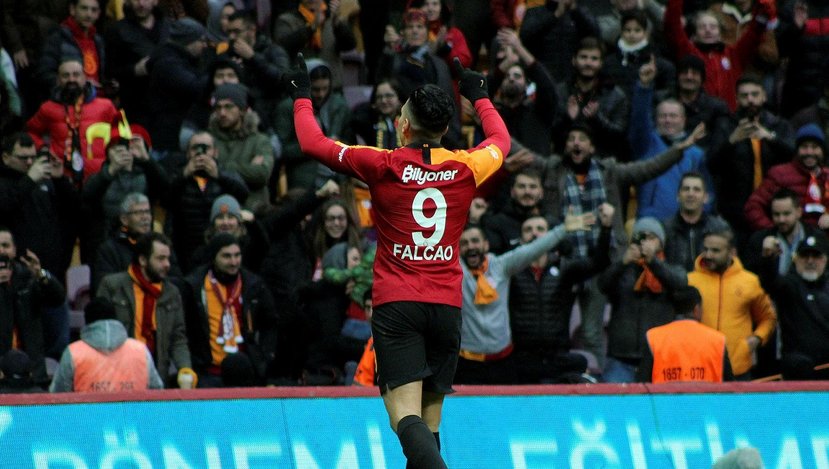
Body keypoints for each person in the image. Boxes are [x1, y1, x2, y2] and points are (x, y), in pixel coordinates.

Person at [285, 53, 508, 468]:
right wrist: (479, 96)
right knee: (428, 426)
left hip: (398, 305)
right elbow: (500, 142)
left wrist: (301, 98)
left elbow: (312, 143)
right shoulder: (467, 167)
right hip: (446, 307)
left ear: (404, 126)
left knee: (404, 417)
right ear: (444, 128)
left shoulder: (382, 163)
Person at [455, 210, 595, 384]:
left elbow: (532, 250)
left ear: (486, 245)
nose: (470, 246)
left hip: (502, 362)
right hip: (467, 363)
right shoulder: (455, 271)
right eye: (464, 243)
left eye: (475, 241)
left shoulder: (501, 266)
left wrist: (562, 229)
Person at [508, 209, 613, 384]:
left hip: (557, 356)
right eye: (528, 230)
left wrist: (606, 228)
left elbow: (599, 263)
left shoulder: (564, 268)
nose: (534, 233)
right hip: (522, 358)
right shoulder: (511, 271)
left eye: (540, 229)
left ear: (550, 236)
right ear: (520, 239)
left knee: (582, 367)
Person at [96, 232, 197, 388]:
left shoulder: (172, 293)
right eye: (160, 259)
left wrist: (185, 369)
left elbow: (178, 338)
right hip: (118, 376)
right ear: (143, 260)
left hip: (156, 376)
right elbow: (100, 332)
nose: (167, 264)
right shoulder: (112, 286)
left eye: (168, 259)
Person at [179, 233, 277, 387]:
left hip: (246, 375)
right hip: (207, 374)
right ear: (213, 257)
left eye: (237, 255)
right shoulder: (194, 286)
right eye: (226, 256)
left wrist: (263, 359)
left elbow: (270, 323)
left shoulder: (254, 285)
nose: (233, 262)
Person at [707, 74, 795, 244]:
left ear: (764, 96)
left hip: (772, 207)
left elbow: (794, 157)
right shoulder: (725, 125)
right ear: (736, 99)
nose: (750, 100)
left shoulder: (778, 125)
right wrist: (732, 140)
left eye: (755, 94)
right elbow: (712, 164)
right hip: (734, 211)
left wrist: (770, 138)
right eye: (744, 96)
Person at [600, 217, 688, 382]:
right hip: (621, 356)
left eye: (651, 238)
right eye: (640, 237)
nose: (645, 242)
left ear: (661, 243)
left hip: (659, 355)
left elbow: (680, 283)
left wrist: (653, 261)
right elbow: (603, 285)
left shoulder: (670, 268)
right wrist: (622, 263)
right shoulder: (624, 268)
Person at [687, 226, 777, 379]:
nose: (708, 255)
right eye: (706, 249)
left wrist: (757, 338)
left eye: (715, 250)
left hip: (738, 367)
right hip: (699, 368)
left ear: (731, 252)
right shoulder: (690, 281)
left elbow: (768, 318)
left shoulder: (749, 281)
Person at [630, 58, 711, 220]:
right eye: (663, 116)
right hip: (650, 221)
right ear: (656, 119)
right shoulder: (647, 144)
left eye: (673, 116)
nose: (668, 120)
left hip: (684, 222)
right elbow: (639, 122)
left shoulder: (696, 154)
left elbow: (708, 192)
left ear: (683, 120)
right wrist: (644, 87)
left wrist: (702, 218)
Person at [663, 0, 775, 111]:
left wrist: (763, 8)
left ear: (720, 33)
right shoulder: (688, 52)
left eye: (713, 27)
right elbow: (672, 25)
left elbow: (755, 32)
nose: (708, 30)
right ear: (695, 35)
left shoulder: (733, 54)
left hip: (730, 115)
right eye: (702, 27)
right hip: (700, 113)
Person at [164, 131, 249, 272]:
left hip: (219, 243)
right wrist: (184, 175)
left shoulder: (226, 172)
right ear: (187, 154)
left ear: (215, 152)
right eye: (195, 148)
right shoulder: (178, 174)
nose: (200, 153)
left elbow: (243, 195)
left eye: (206, 148)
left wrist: (219, 176)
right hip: (185, 245)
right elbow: (165, 199)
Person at [26, 58, 120, 183]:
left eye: (76, 75)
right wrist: (43, 149)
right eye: (66, 75)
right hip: (62, 177)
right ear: (58, 80)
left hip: (99, 176)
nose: (71, 79)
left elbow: (120, 133)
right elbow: (30, 132)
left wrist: (112, 159)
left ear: (85, 78)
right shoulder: (48, 108)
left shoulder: (105, 106)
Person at [50, 297, 164, 392]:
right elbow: (157, 392)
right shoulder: (140, 350)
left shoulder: (73, 352)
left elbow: (58, 397)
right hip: (135, 413)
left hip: (87, 413)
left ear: (87, 321)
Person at [756, 232, 829, 380]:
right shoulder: (789, 286)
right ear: (795, 259)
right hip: (797, 371)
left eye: (816, 256)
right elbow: (769, 282)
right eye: (805, 256)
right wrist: (769, 258)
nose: (810, 261)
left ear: (825, 259)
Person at [0, 228, 66, 386]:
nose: (1, 251)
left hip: (32, 372)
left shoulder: (29, 277)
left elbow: (57, 299)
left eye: (5, 245)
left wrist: (40, 274)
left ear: (14, 250)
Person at [636, 285, 734, 383]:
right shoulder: (717, 340)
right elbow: (731, 385)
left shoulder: (654, 338)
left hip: (664, 393)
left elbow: (642, 383)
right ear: (696, 309)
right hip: (708, 393)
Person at [744, 124, 829, 231]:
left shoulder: (827, 175)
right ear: (797, 150)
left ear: (823, 151)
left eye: (815, 147)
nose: (809, 152)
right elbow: (753, 207)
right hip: (789, 238)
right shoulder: (779, 174)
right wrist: (774, 232)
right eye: (804, 147)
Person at [208, 83, 275, 214]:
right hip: (218, 210)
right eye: (218, 107)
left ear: (242, 110)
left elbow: (262, 174)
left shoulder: (259, 140)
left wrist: (220, 169)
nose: (222, 113)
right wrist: (248, 168)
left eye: (228, 107)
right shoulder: (208, 139)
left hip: (254, 209)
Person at [104, 0, 172, 127]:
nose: (141, 4)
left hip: (168, 104)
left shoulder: (169, 26)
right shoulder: (117, 30)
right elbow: (110, 71)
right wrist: (134, 70)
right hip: (136, 104)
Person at [662, 172, 728, 272]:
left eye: (696, 190)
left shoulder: (719, 228)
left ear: (705, 197)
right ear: (678, 196)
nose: (690, 194)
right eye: (686, 189)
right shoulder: (664, 229)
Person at [36, 0, 106, 93]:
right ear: (72, 9)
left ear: (98, 14)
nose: (89, 14)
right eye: (84, 8)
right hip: (68, 99)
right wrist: (76, 83)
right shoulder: (57, 38)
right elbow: (44, 74)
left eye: (94, 10)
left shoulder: (98, 41)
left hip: (98, 99)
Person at [481, 168, 544, 254]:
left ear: (541, 192)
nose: (527, 192)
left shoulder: (551, 222)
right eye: (521, 186)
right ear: (512, 192)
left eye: (533, 187)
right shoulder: (495, 223)